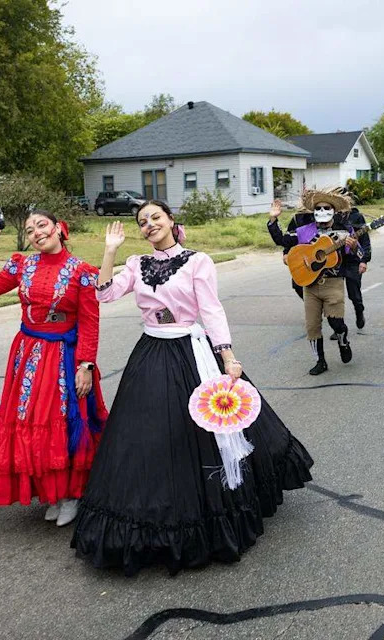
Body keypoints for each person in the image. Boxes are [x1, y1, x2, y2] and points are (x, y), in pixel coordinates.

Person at [71, 201, 314, 576]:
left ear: (171, 221)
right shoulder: (137, 264)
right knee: (149, 434)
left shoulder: (197, 261)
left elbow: (211, 309)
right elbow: (103, 294)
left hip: (191, 350)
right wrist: (110, 251)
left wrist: (228, 357)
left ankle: (213, 513)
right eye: (143, 222)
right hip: (151, 352)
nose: (149, 224)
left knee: (202, 430)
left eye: (156, 217)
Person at [0, 212, 107, 527]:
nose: (36, 233)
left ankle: (71, 494)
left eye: (42, 225)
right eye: (30, 230)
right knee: (30, 421)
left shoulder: (82, 272)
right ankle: (51, 492)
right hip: (28, 356)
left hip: (66, 358)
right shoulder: (23, 265)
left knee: (63, 420)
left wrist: (86, 365)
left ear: (58, 228)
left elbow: (89, 323)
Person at [267, 189, 359, 375]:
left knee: (336, 322)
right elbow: (282, 240)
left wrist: (355, 247)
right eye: (318, 208)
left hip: (333, 282)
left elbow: (356, 257)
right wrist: (273, 220)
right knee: (312, 327)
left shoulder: (344, 231)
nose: (322, 211)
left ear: (333, 210)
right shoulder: (303, 231)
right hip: (310, 286)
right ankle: (320, 361)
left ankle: (343, 339)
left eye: (326, 207)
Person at [339, 206, 372, 331]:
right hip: (336, 260)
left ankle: (359, 311)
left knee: (354, 293)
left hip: (353, 261)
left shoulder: (356, 216)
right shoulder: (330, 215)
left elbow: (365, 241)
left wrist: (364, 260)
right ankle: (338, 326)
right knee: (335, 296)